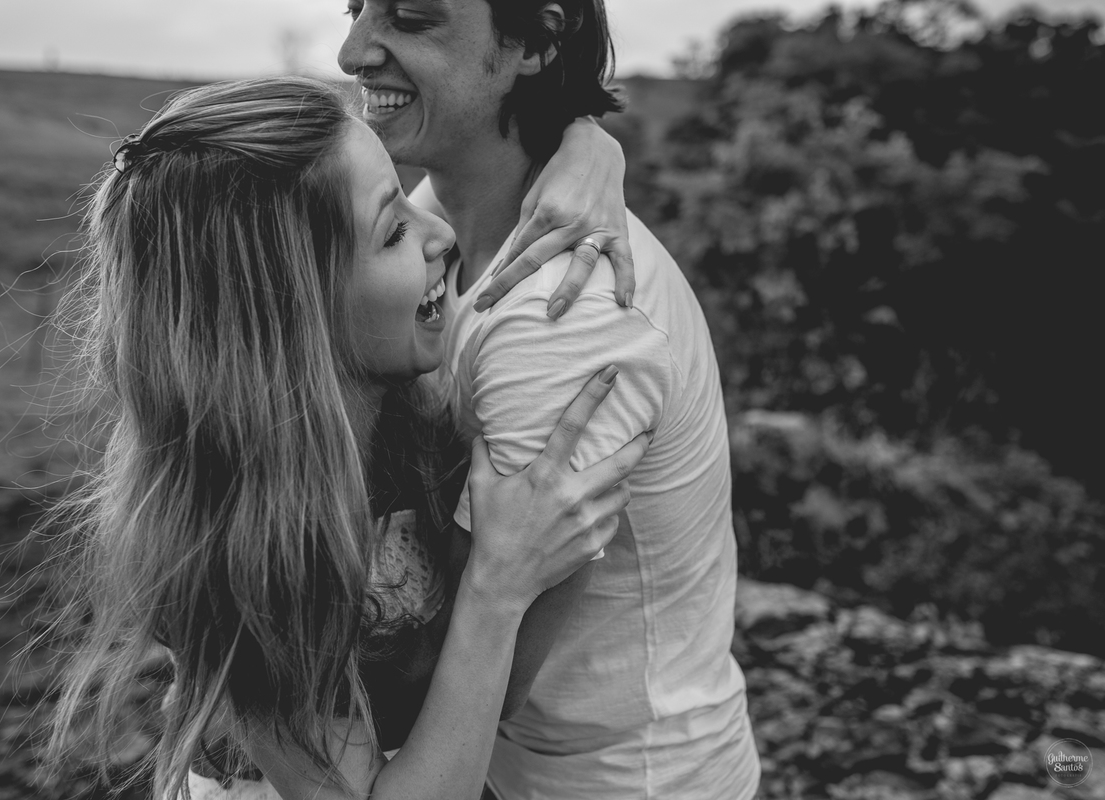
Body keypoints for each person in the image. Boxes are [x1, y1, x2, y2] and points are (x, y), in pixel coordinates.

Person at [37, 77, 652, 800]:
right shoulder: (235, 548)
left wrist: (588, 150)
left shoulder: (401, 407)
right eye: (394, 231)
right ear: (289, 320)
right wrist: (500, 585)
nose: (442, 236)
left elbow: (488, 698)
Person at [338, 0, 762, 797]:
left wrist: (247, 626)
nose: (353, 49)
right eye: (357, 9)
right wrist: (585, 135)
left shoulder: (563, 315)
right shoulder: (431, 226)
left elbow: (450, 686)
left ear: (537, 39)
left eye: (412, 18)